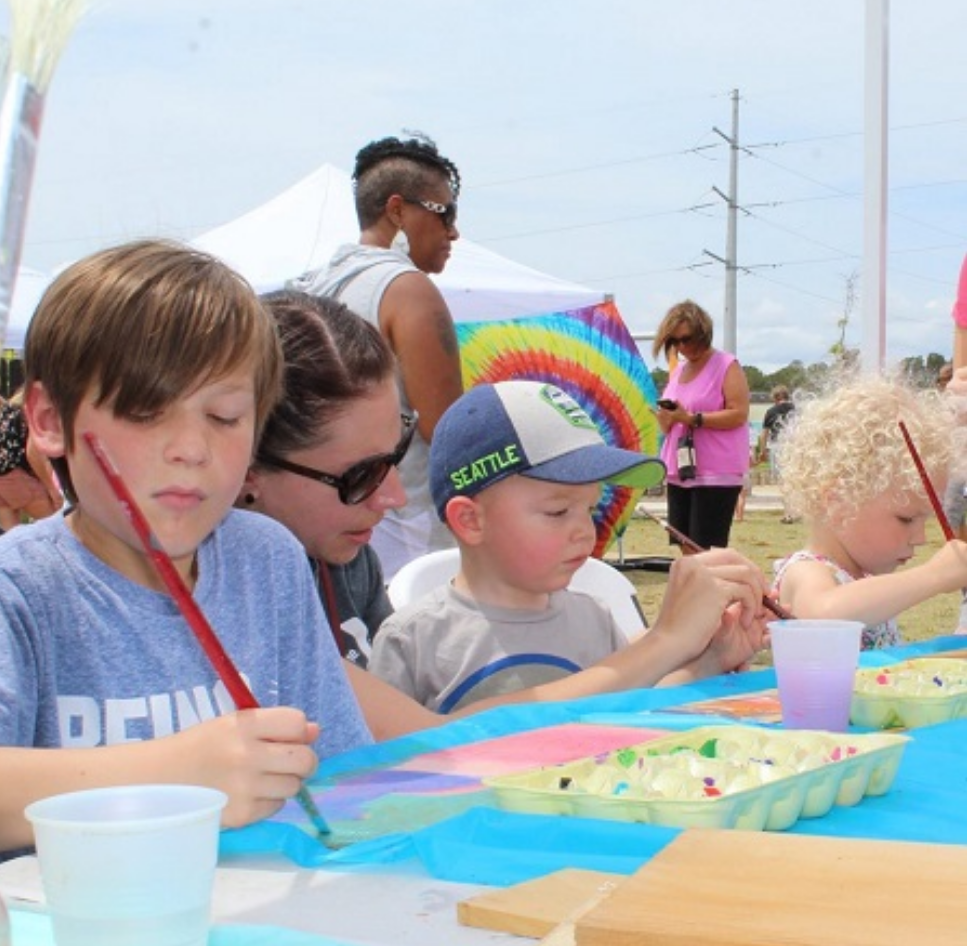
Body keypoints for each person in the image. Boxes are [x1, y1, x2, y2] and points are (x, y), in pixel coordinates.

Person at [0, 241, 372, 868]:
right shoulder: (10, 590)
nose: (191, 448)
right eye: (144, 412)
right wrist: (168, 772)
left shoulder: (266, 561)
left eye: (224, 416)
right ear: (49, 419)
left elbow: (345, 773)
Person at [246, 293, 771, 730]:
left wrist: (701, 657)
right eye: (358, 475)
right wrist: (664, 641)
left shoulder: (349, 566)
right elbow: (434, 742)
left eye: (395, 459)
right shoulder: (257, 594)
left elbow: (599, 702)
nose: (395, 497)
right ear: (249, 466)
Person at [366, 380, 768, 713]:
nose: (585, 531)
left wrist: (712, 657)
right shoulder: (413, 640)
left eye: (590, 509)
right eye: (558, 511)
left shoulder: (594, 619)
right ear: (471, 520)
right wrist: (667, 637)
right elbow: (385, 762)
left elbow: (624, 702)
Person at [292, 133, 464, 579]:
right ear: (397, 210)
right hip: (405, 526)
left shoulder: (315, 287)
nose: (453, 231)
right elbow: (447, 432)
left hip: (325, 522)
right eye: (445, 213)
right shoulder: (408, 291)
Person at [772, 373, 967, 650]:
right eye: (906, 519)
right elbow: (822, 614)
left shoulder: (865, 579)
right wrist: (934, 575)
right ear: (838, 502)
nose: (921, 538)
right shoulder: (806, 571)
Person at [652, 300, 751, 550]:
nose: (683, 347)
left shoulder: (726, 365)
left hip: (715, 471)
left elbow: (739, 413)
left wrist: (693, 419)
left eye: (687, 339)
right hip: (681, 469)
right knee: (684, 545)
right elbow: (674, 420)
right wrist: (666, 419)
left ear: (703, 333)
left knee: (706, 550)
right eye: (675, 341)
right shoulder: (678, 372)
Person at [0, 389, 64, 528]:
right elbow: (34, 452)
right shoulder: (41, 410)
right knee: (58, 528)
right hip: (17, 476)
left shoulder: (12, 407)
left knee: (10, 537)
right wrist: (52, 490)